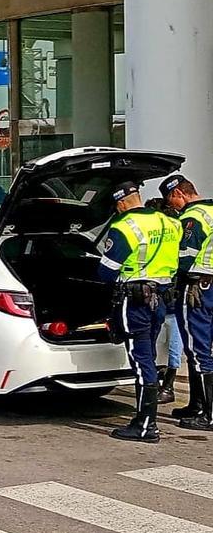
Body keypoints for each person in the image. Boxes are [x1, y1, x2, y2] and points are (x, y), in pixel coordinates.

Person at [97, 181, 182, 443]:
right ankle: (144, 420)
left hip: (135, 302)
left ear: (121, 203)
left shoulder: (124, 227)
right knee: (149, 355)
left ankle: (146, 424)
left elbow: (107, 272)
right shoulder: (170, 222)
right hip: (162, 299)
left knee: (140, 360)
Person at [161, 174, 213, 430]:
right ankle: (197, 404)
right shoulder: (212, 211)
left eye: (171, 201)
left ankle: (208, 415)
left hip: (197, 288)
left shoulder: (193, 217)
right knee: (203, 349)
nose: (172, 207)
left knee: (197, 350)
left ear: (178, 194)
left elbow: (184, 257)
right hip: (210, 285)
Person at [146, 197, 183, 403]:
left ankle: (168, 387)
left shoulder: (172, 236)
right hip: (162, 303)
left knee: (173, 350)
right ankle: (160, 385)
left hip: (173, 304)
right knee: (160, 347)